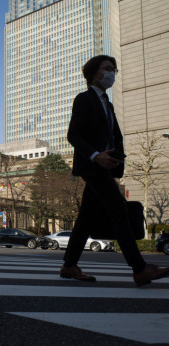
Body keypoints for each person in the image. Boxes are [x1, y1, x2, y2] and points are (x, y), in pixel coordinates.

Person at [61, 55, 169, 287]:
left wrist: (117, 161)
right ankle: (140, 269)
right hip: (93, 166)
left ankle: (69, 265)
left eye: (114, 70)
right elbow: (74, 134)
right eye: (107, 69)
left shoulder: (107, 104)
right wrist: (95, 155)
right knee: (119, 210)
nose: (112, 73)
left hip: (106, 167)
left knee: (85, 219)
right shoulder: (84, 99)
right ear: (93, 73)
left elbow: (114, 136)